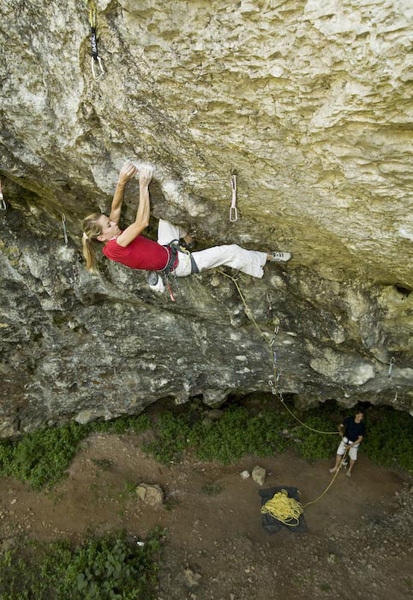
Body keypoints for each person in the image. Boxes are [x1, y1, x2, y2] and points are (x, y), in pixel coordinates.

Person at [82, 161, 292, 292]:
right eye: (109, 224)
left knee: (166, 218)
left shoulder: (111, 236)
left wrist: (121, 181)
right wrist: (142, 186)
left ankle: (189, 241)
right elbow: (142, 222)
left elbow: (116, 207)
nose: (113, 222)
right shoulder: (115, 245)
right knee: (231, 252)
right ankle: (267, 258)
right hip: (179, 265)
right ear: (101, 237)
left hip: (166, 249)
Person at [329, 409, 366, 478]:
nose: (358, 417)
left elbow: (360, 439)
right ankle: (336, 467)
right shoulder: (349, 419)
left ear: (362, 418)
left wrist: (349, 446)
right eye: (358, 415)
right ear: (356, 414)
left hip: (354, 443)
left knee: (353, 457)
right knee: (339, 453)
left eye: (360, 416)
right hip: (346, 439)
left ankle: (349, 470)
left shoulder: (361, 427)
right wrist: (340, 431)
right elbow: (340, 426)